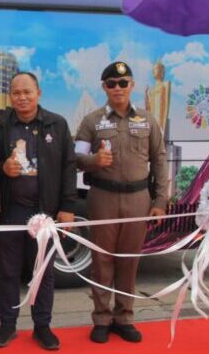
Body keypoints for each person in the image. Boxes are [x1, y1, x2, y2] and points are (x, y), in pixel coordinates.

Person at [74, 61, 168, 344]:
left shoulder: (147, 120)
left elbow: (159, 159)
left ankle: (125, 317)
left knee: (129, 260)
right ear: (104, 87)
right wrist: (94, 161)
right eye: (112, 84)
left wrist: (160, 200)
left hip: (138, 199)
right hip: (103, 197)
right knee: (102, 260)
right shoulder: (92, 121)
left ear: (132, 86)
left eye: (123, 83)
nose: (118, 88)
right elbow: (76, 159)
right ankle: (102, 318)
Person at [0, 72, 78, 351]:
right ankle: (7, 325)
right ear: (10, 96)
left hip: (45, 213)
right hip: (12, 212)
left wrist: (68, 207)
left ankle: (42, 326)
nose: (22, 98)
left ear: (38, 93)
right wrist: (2, 168)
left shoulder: (56, 124)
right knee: (8, 271)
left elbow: (69, 166)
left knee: (43, 272)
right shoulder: (0, 127)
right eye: (16, 93)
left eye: (27, 92)